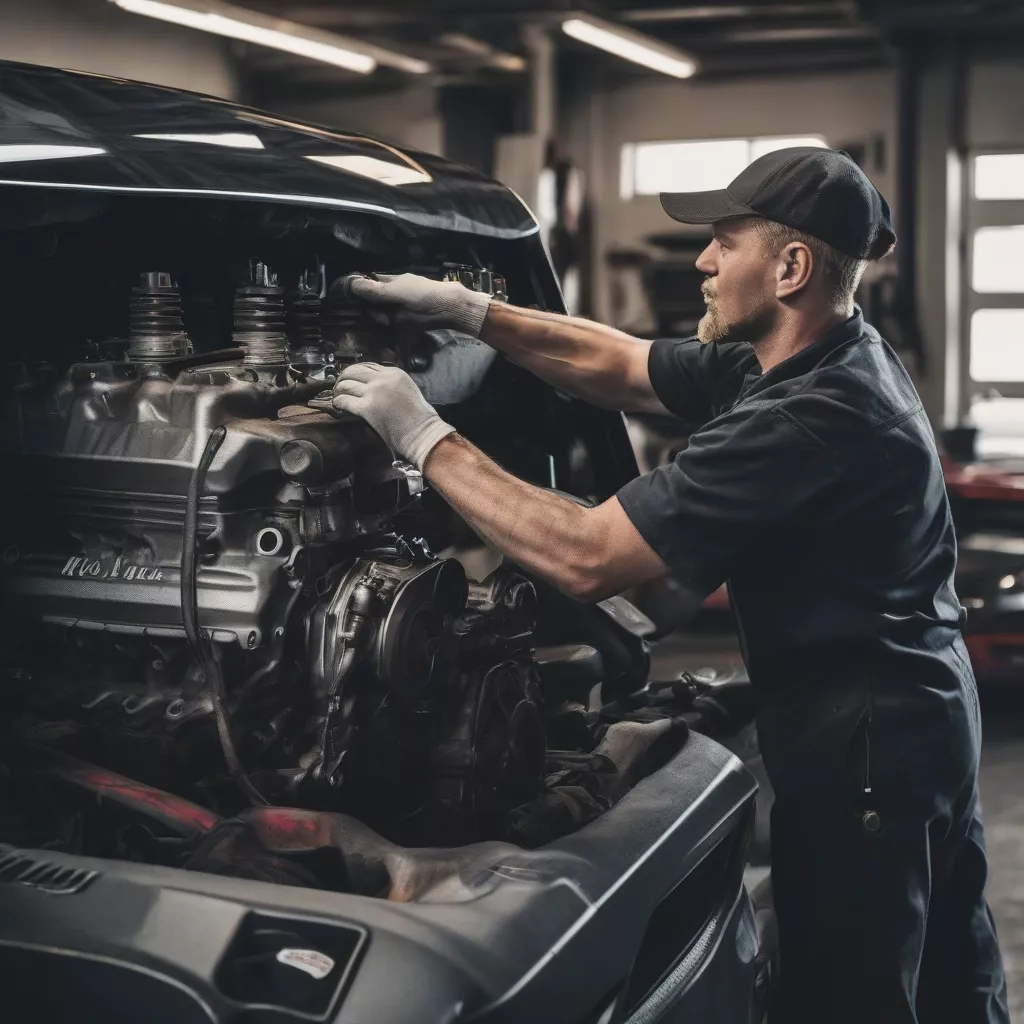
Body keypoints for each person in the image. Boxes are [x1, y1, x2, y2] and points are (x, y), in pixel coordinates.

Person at [331, 147, 1009, 1024]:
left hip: (865, 749)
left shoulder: (809, 416)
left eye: (725, 242)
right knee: (955, 975)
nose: (702, 260)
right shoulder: (808, 352)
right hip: (922, 712)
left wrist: (423, 437)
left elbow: (588, 555)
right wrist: (472, 312)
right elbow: (620, 364)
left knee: (849, 991)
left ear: (791, 268)